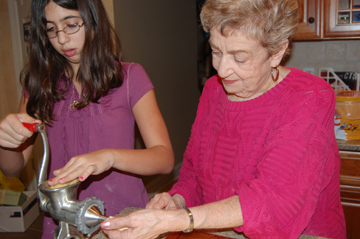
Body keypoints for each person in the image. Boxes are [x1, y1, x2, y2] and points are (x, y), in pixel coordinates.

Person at [99, 0, 347, 238]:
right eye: (216, 51)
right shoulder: (213, 90)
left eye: (239, 57)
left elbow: (272, 205)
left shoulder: (310, 97)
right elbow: (193, 175)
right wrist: (176, 201)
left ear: (277, 51)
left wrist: (182, 219)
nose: (222, 68)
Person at [0, 0, 174, 238]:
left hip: (122, 222)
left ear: (93, 21)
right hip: (62, 225)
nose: (61, 39)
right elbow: (12, 168)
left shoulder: (131, 77)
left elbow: (164, 158)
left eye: (71, 25)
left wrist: (109, 156)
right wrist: (6, 141)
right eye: (51, 29)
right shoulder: (39, 86)